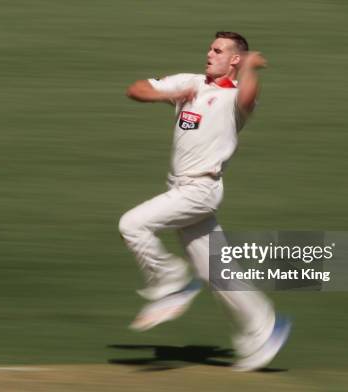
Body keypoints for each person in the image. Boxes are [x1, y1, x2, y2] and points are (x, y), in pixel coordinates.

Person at [118, 32, 291, 371]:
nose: (209, 54)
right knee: (217, 272)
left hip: (200, 191)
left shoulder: (236, 97)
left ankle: (170, 280)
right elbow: (135, 88)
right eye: (210, 48)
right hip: (178, 187)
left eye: (218, 50)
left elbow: (248, 97)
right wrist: (161, 95)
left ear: (235, 60)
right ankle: (265, 327)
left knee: (132, 224)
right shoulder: (191, 82)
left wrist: (252, 67)